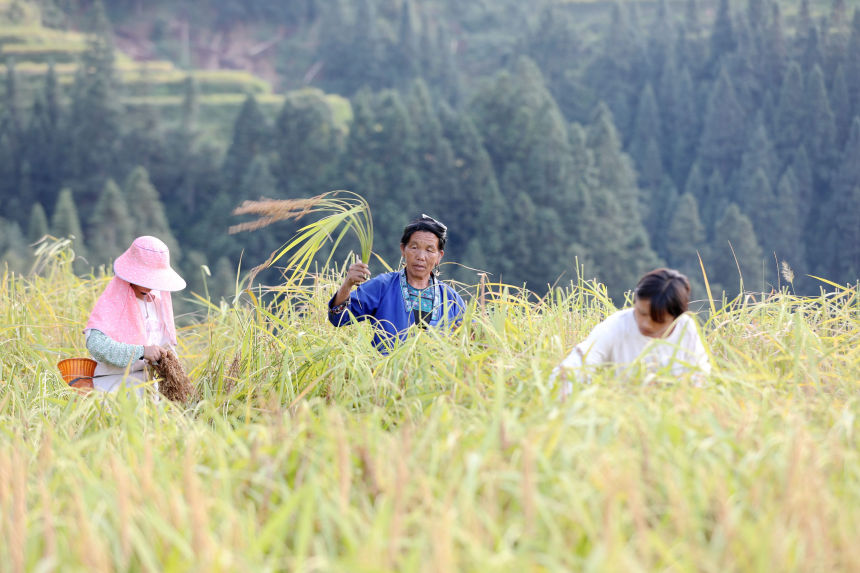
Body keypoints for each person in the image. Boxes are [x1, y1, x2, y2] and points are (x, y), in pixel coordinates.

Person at [552, 268, 711, 395]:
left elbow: (699, 378)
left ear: (676, 317)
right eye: (641, 313)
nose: (645, 323)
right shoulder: (615, 327)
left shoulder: (686, 329)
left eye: (658, 320)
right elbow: (577, 365)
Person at [328, 214, 466, 352]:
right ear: (403, 250)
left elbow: (470, 338)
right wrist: (347, 284)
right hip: (386, 371)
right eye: (414, 247)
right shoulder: (383, 286)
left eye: (429, 250)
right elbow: (339, 317)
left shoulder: (450, 299)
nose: (421, 257)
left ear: (439, 256)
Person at [84, 236, 186, 393]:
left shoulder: (158, 304)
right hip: (113, 390)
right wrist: (142, 351)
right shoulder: (113, 303)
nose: (149, 284)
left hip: (148, 392)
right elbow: (97, 346)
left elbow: (164, 345)